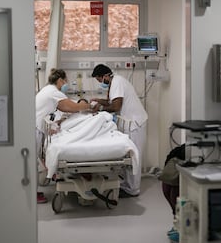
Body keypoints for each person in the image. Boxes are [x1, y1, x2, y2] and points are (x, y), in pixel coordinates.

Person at [36, 68, 95, 203]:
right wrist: (88, 106)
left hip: (38, 126)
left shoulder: (48, 90)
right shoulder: (54, 92)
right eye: (65, 81)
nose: (66, 83)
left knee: (33, 161)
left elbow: (61, 112)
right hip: (36, 128)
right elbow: (71, 107)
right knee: (31, 162)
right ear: (60, 80)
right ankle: (33, 194)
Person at [90, 64, 148, 197]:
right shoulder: (114, 82)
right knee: (128, 155)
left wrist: (99, 108)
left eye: (99, 80)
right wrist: (99, 101)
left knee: (134, 156)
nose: (100, 83)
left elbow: (116, 106)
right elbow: (111, 101)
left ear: (105, 76)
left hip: (135, 123)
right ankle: (127, 184)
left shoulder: (117, 82)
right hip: (128, 122)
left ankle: (133, 189)